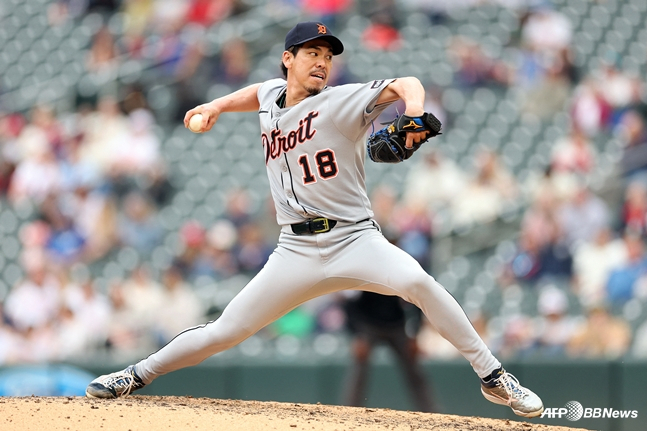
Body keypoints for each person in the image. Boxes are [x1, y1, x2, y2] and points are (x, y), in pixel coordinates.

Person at [86, 21, 544, 418]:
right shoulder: (272, 94)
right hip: (296, 250)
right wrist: (216, 106)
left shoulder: (342, 101)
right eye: (313, 53)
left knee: (419, 283)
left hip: (354, 239)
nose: (322, 62)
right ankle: (135, 374)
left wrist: (414, 113)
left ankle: (494, 377)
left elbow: (407, 82)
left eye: (328, 56)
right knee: (225, 330)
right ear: (288, 59)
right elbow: (257, 93)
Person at [343, 291, 436, 412]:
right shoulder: (367, 278)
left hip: (397, 324)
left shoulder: (401, 278)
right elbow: (349, 301)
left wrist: (414, 333)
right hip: (368, 324)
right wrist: (357, 335)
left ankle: (431, 412)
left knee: (415, 371)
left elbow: (417, 300)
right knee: (359, 370)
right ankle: (350, 411)